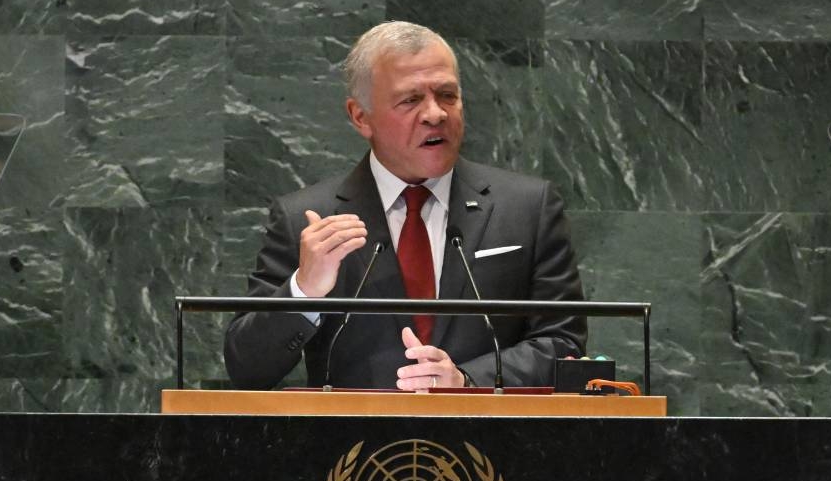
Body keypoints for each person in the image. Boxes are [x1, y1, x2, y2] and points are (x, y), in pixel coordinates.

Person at [224, 21, 585, 390]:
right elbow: (248, 368)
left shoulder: (526, 208)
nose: (435, 114)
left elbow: (564, 345)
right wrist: (304, 291)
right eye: (411, 100)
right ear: (361, 117)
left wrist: (467, 380)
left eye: (447, 95)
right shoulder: (305, 218)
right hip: (352, 445)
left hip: (494, 441)